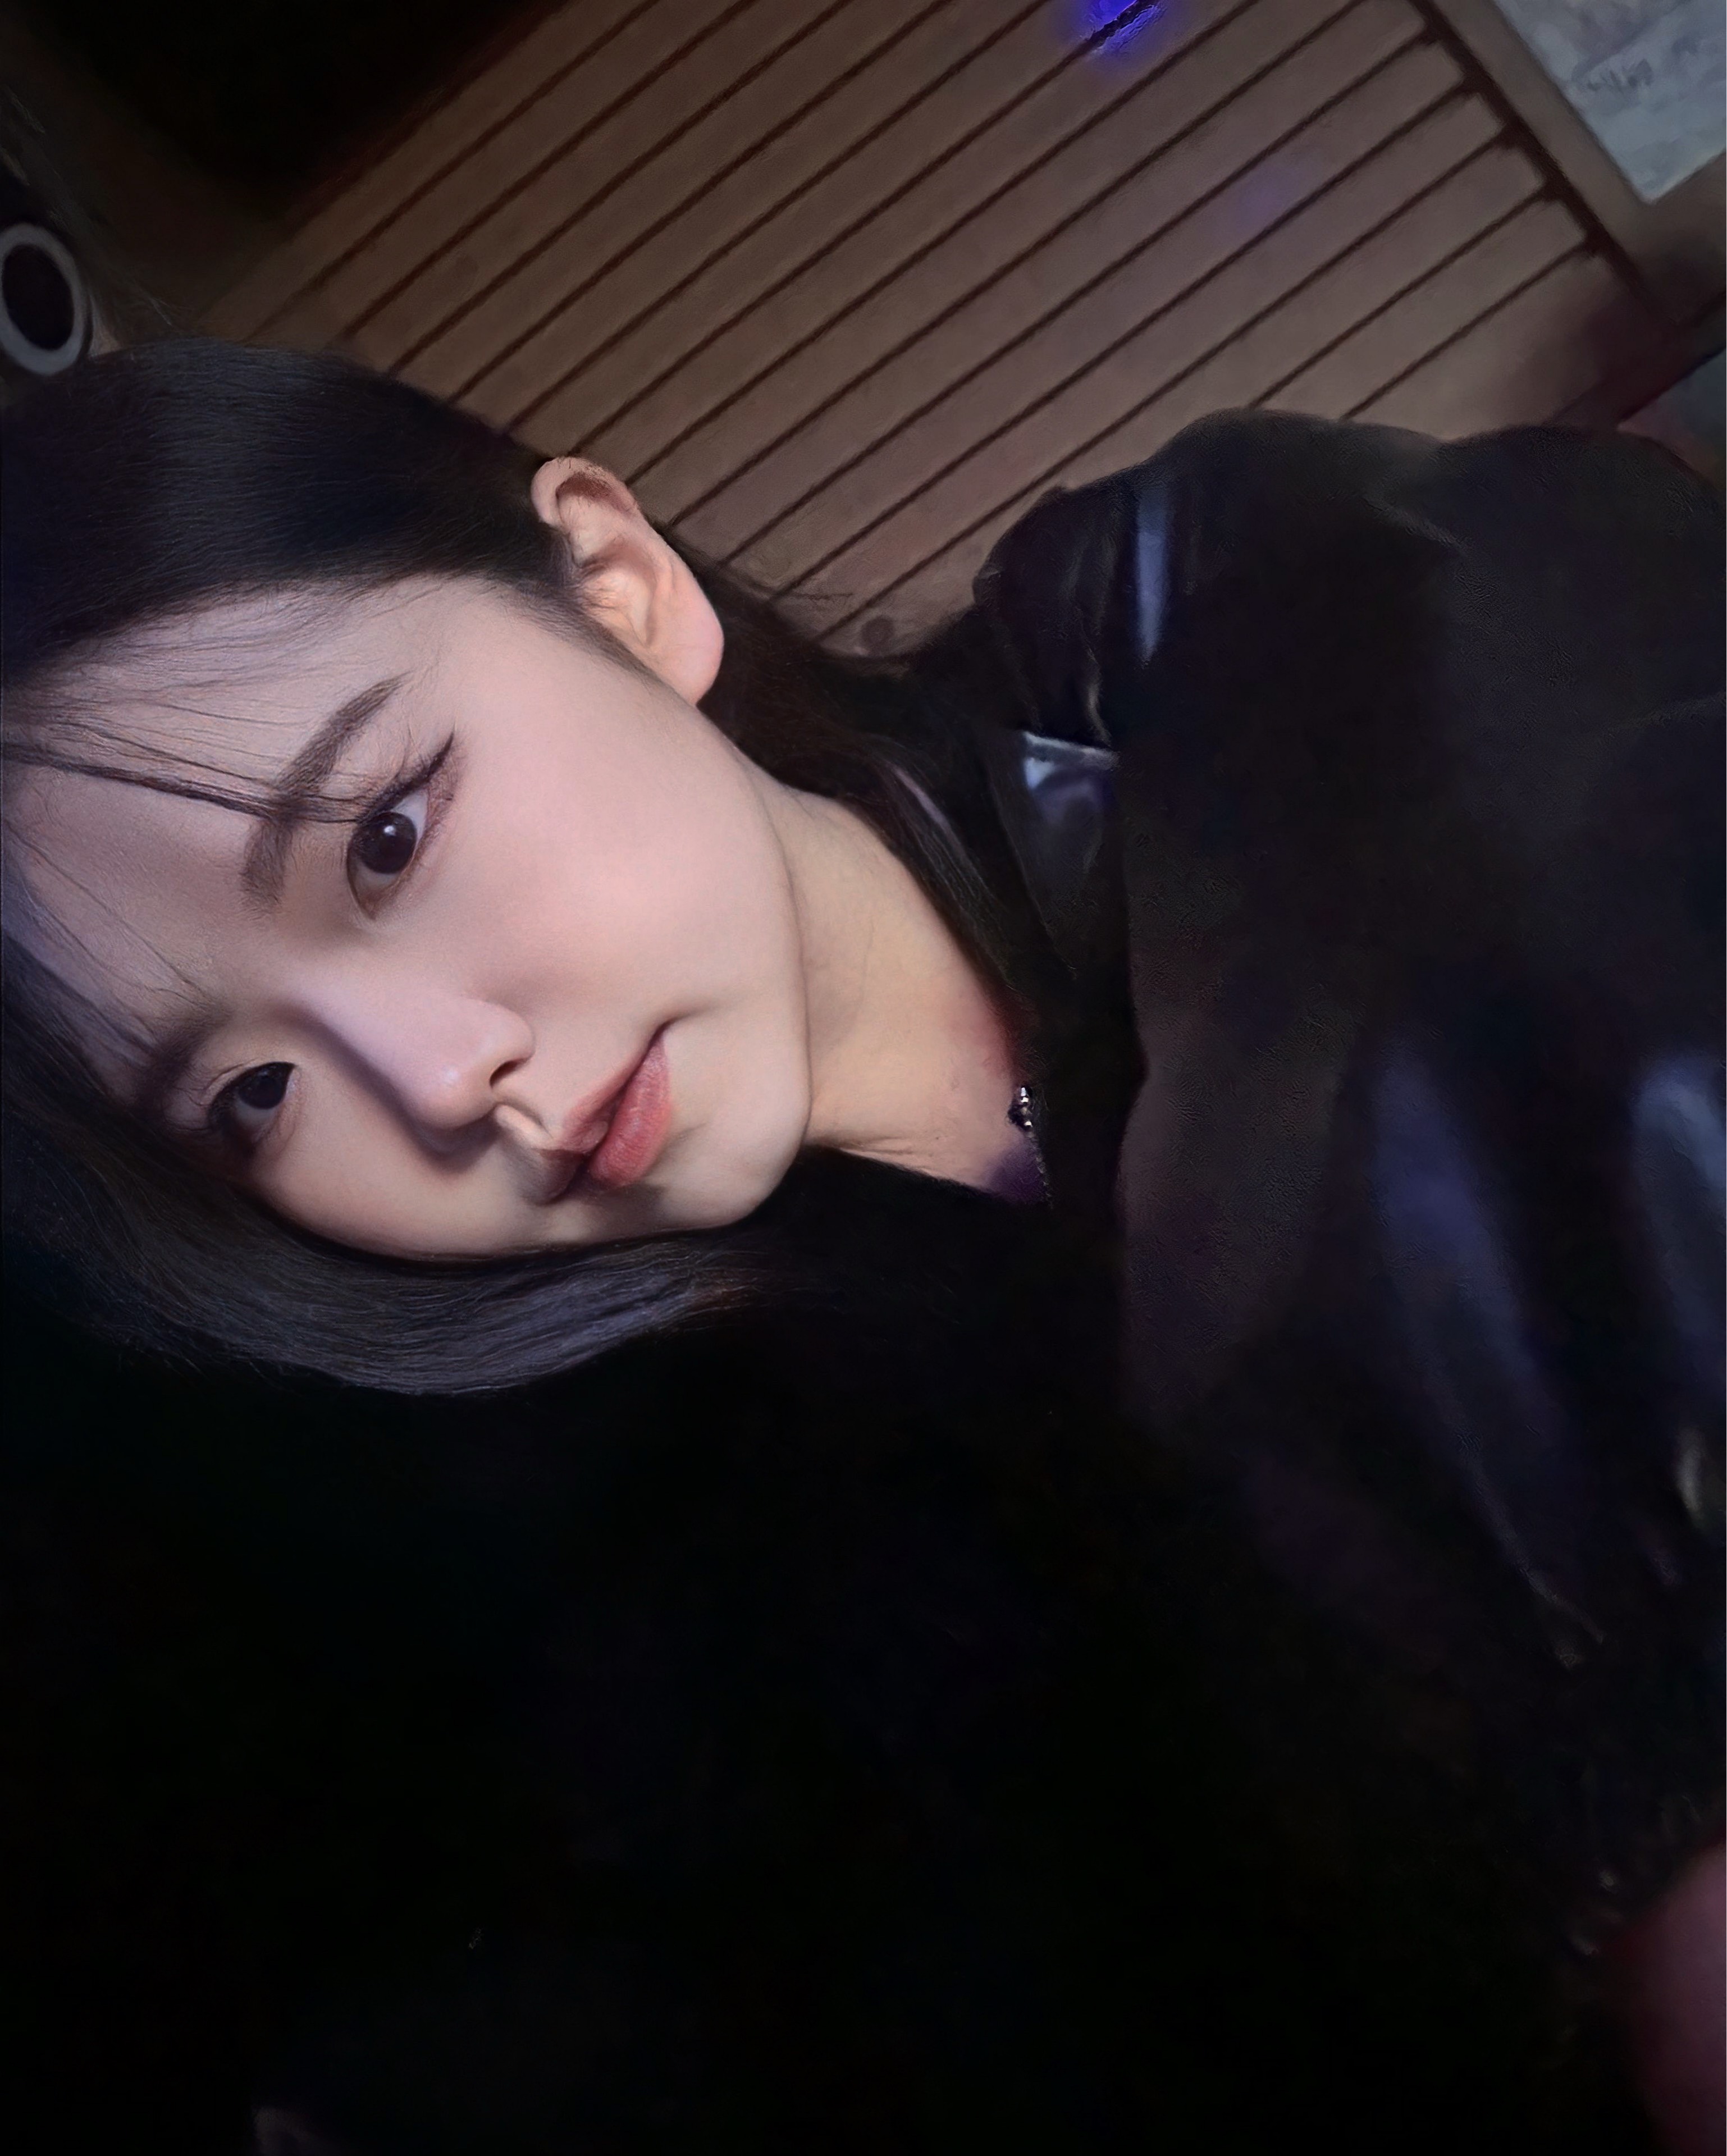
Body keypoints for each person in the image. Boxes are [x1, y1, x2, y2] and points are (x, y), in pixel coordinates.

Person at [3, 338, 1721, 2151]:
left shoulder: (1241, 640)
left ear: (615, 584)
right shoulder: (671, 1654)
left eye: (383, 840)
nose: (437, 1082)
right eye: (251, 1095)